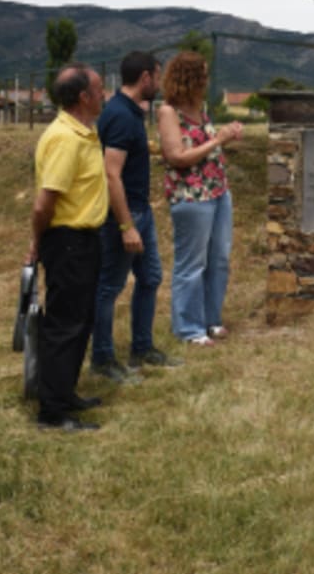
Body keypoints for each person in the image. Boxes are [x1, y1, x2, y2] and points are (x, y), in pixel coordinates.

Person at [91, 51, 182, 384]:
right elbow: (110, 174)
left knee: (150, 277)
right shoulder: (120, 116)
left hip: (141, 211)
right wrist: (126, 225)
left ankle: (142, 348)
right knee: (109, 287)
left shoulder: (130, 112)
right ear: (145, 77)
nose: (159, 84)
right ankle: (102, 359)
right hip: (123, 215)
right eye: (157, 77)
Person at [27, 63, 107, 432]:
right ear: (84, 97)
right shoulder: (66, 139)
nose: (105, 94)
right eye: (100, 89)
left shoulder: (84, 133)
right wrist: (37, 240)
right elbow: (44, 204)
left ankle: (64, 391)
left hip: (84, 240)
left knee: (80, 319)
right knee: (65, 324)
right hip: (68, 241)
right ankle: (52, 411)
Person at [157, 51, 243, 346]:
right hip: (191, 196)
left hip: (218, 191)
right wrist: (218, 139)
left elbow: (205, 148)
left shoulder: (200, 109)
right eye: (203, 75)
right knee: (192, 263)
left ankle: (210, 319)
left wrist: (226, 135)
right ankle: (188, 327)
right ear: (190, 79)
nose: (207, 80)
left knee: (218, 259)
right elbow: (177, 157)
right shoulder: (168, 112)